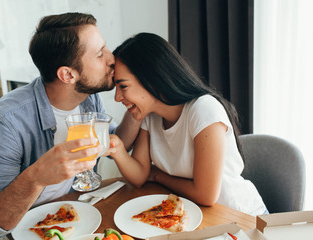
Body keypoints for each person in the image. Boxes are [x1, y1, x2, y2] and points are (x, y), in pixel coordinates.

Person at [0, 13, 141, 239]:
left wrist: (136, 109)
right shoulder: (5, 122)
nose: (112, 58)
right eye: (99, 54)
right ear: (67, 74)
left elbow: (115, 144)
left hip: (72, 221)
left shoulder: (88, 98)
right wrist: (35, 178)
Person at [108, 33, 267, 216]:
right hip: (195, 215)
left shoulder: (203, 110)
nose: (117, 97)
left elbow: (206, 195)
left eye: (123, 86)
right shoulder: (150, 116)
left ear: (152, 79)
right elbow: (140, 175)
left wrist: (158, 175)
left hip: (240, 218)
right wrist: (118, 150)